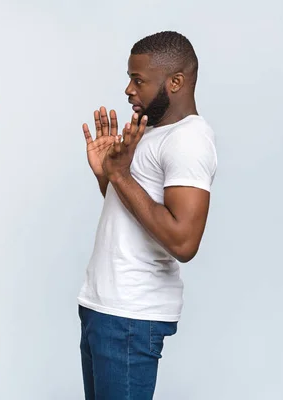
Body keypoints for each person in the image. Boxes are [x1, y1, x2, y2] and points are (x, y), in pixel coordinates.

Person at [79, 31, 217, 399]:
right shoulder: (154, 132)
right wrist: (106, 176)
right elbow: (133, 216)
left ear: (175, 82)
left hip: (131, 316)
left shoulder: (189, 139)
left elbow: (184, 241)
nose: (127, 89)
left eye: (138, 80)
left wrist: (121, 175)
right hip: (105, 307)